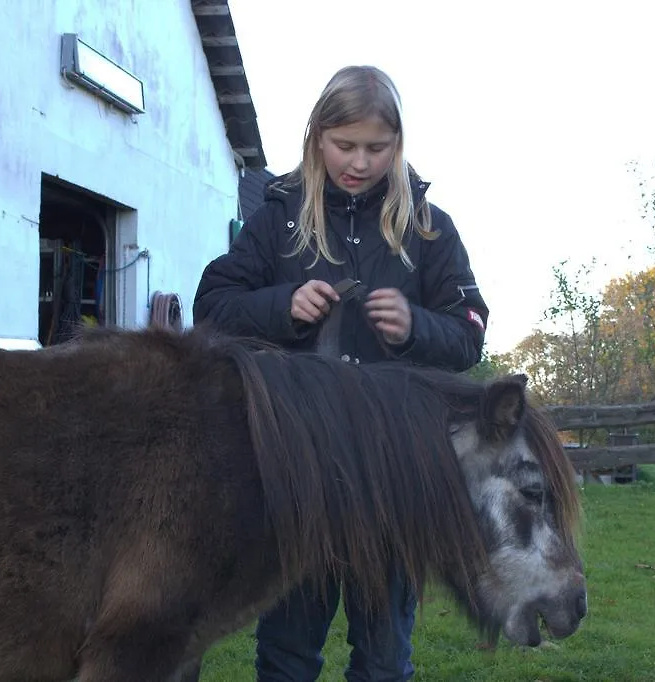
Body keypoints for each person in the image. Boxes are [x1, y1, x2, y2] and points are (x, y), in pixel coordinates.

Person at [192, 65, 489, 682]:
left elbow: (470, 331)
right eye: (344, 145)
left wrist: (414, 325)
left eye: (377, 148)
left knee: (385, 659)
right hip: (299, 472)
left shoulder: (428, 227)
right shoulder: (279, 218)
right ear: (316, 137)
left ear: (398, 144)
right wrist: (283, 305)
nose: (359, 161)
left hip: (396, 474)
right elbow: (212, 306)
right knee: (287, 654)